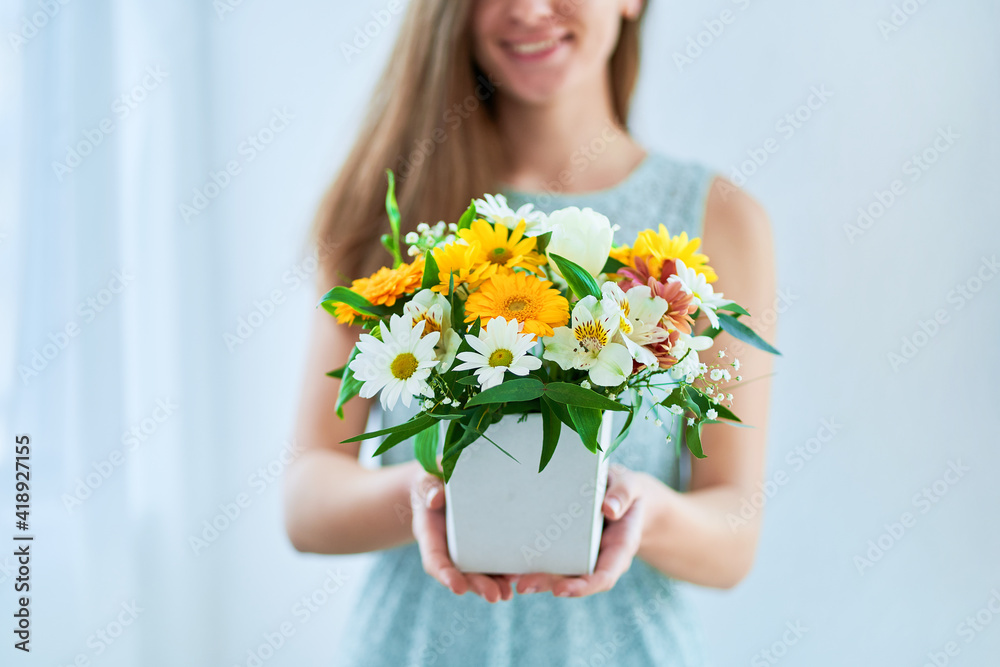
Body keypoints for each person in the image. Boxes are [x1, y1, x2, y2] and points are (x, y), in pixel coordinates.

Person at [285, 0, 775, 664]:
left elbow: (733, 536)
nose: (529, 10)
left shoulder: (716, 219)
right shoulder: (392, 203)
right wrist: (424, 494)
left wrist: (643, 513)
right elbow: (308, 499)